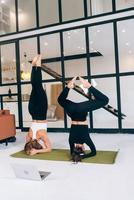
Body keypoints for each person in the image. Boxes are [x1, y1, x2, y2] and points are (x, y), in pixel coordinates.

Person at [58, 76, 109, 162]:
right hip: (72, 111)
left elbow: (93, 153)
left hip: (81, 110)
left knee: (105, 100)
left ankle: (89, 86)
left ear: (83, 148)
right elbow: (72, 153)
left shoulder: (86, 139)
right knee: (60, 100)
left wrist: (82, 157)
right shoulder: (71, 140)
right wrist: (76, 155)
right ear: (76, 148)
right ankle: (68, 87)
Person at [24, 55, 52, 155]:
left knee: (38, 86)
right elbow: (27, 144)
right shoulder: (29, 136)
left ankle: (38, 64)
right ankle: (34, 66)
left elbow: (49, 149)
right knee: (35, 86)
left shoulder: (42, 136)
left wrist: (37, 151)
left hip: (40, 110)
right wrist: (32, 148)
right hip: (32, 111)